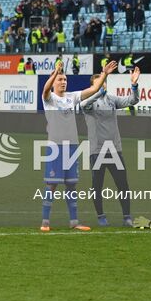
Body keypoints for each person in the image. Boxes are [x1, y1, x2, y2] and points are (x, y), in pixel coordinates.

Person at [39, 58, 113, 231]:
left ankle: (74, 222)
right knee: (52, 184)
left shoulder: (72, 97)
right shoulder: (49, 99)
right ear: (54, 80)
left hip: (72, 146)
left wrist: (104, 74)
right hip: (56, 147)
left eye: (65, 79)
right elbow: (44, 90)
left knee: (71, 184)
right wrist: (55, 72)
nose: (63, 82)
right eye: (60, 79)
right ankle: (45, 222)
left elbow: (94, 89)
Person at [81, 65, 140, 226]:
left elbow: (133, 100)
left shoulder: (112, 100)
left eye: (104, 82)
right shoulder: (88, 102)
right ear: (93, 86)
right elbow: (83, 105)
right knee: (97, 186)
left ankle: (127, 217)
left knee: (123, 184)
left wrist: (134, 85)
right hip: (97, 151)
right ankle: (101, 216)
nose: (103, 84)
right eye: (99, 82)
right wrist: (98, 92)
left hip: (115, 150)